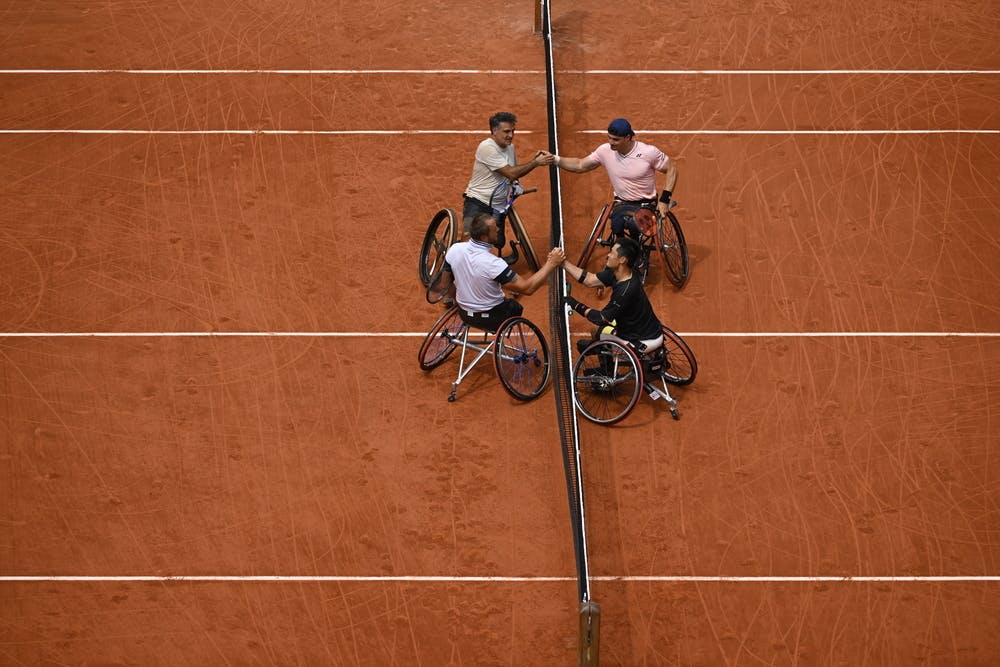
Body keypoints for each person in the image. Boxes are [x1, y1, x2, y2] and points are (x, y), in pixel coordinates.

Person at [544, 117, 677, 240]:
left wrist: (665, 200)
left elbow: (672, 169)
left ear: (628, 137)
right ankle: (622, 250)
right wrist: (554, 159)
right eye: (609, 138)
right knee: (616, 225)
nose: (611, 143)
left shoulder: (648, 153)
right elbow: (580, 165)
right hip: (622, 203)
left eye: (615, 139)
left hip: (646, 204)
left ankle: (635, 253)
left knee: (633, 226)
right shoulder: (604, 151)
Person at [443, 213, 565, 332]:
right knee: (515, 307)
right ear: (484, 237)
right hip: (493, 319)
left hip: (464, 314)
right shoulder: (493, 263)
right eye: (493, 228)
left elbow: (446, 284)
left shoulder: (454, 249)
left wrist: (463, 301)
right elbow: (528, 288)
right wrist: (552, 263)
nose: (498, 228)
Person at [462, 111, 554, 259]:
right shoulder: (487, 147)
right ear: (494, 131)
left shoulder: (510, 148)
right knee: (468, 243)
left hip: (498, 206)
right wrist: (536, 162)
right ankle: (449, 272)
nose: (510, 135)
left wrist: (516, 185)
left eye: (513, 131)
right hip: (478, 201)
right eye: (506, 131)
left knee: (498, 241)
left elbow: (513, 175)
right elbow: (511, 173)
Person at [561, 236, 664, 352]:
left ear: (622, 260)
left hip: (642, 341)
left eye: (612, 253)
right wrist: (563, 263)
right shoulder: (621, 273)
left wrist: (574, 304)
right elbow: (589, 280)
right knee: (601, 330)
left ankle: (607, 369)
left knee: (597, 330)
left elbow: (600, 318)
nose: (608, 255)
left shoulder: (625, 291)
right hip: (647, 328)